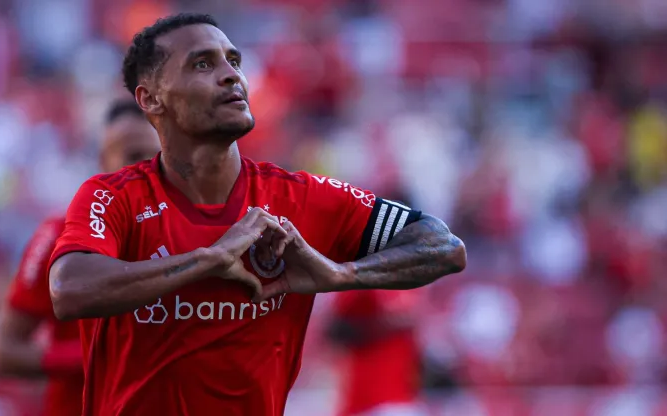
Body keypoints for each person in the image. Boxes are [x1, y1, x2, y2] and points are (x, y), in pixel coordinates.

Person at [47, 13, 467, 416]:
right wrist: (210, 258)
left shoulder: (299, 196)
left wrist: (342, 274)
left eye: (233, 61)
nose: (231, 75)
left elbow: (443, 246)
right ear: (150, 98)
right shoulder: (113, 196)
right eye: (202, 63)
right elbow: (70, 290)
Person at [0, 99, 160, 416]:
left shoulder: (193, 237)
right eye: (133, 156)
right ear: (103, 160)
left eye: (156, 157)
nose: (146, 168)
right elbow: (4, 355)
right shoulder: (58, 236)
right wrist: (99, 356)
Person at [328, 289, 425, 416]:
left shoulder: (413, 283)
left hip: (400, 398)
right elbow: (336, 329)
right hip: (366, 401)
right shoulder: (361, 283)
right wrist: (386, 324)